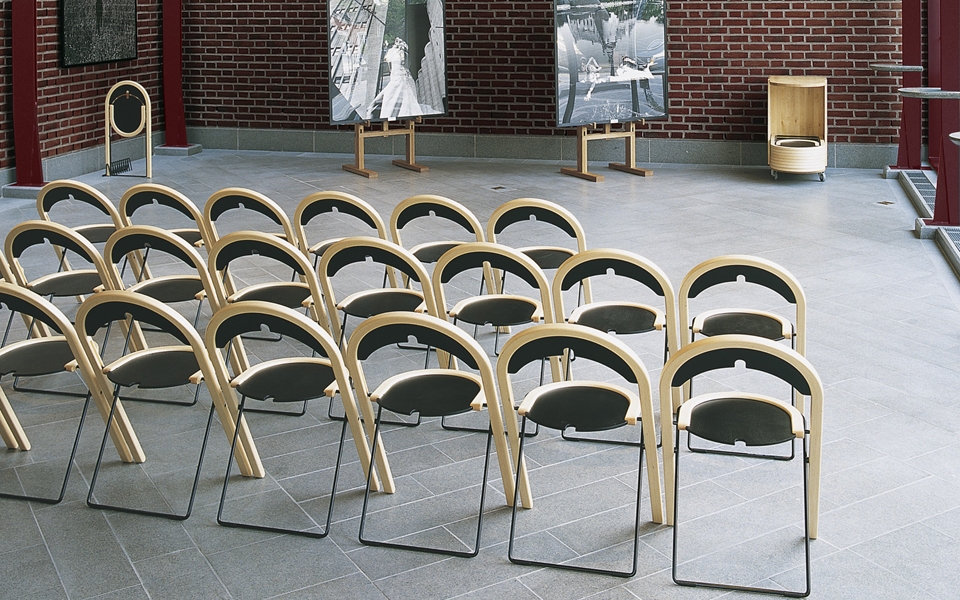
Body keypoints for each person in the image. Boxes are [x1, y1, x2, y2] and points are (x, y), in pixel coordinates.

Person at [368, 38, 422, 120]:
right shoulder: (401, 54)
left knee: (389, 105)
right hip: (402, 79)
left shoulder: (395, 53)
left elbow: (393, 67)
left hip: (399, 80)